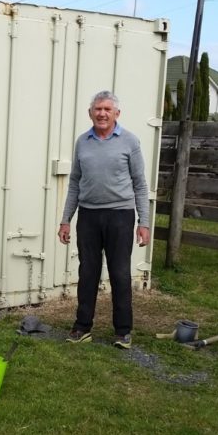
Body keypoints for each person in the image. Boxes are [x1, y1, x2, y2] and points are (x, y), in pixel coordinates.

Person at [58, 90, 151, 349]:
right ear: (90, 113)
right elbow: (74, 182)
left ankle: (123, 331)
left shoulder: (129, 141)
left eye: (107, 109)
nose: (102, 114)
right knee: (87, 271)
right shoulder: (82, 142)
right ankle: (82, 327)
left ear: (117, 113)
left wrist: (144, 223)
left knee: (119, 273)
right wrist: (66, 219)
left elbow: (140, 184)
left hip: (120, 215)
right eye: (97, 109)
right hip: (88, 215)